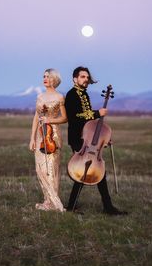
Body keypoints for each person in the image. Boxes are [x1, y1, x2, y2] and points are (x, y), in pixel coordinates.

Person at [65, 66, 128, 215]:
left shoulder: (85, 95)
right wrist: (97, 113)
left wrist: (103, 138)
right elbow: (75, 117)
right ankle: (105, 207)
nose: (86, 79)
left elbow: (90, 124)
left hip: (87, 138)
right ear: (75, 79)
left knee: (94, 172)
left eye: (87, 77)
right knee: (83, 171)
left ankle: (102, 207)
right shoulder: (72, 95)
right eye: (82, 77)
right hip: (77, 138)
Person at [29, 68, 67, 212]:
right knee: (40, 169)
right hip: (40, 135)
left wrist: (49, 120)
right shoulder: (40, 97)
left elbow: (64, 118)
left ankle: (54, 203)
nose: (44, 78)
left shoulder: (59, 97)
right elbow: (36, 117)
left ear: (54, 79)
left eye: (48, 76)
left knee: (52, 169)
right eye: (44, 76)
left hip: (53, 135)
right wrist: (32, 138)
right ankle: (47, 201)